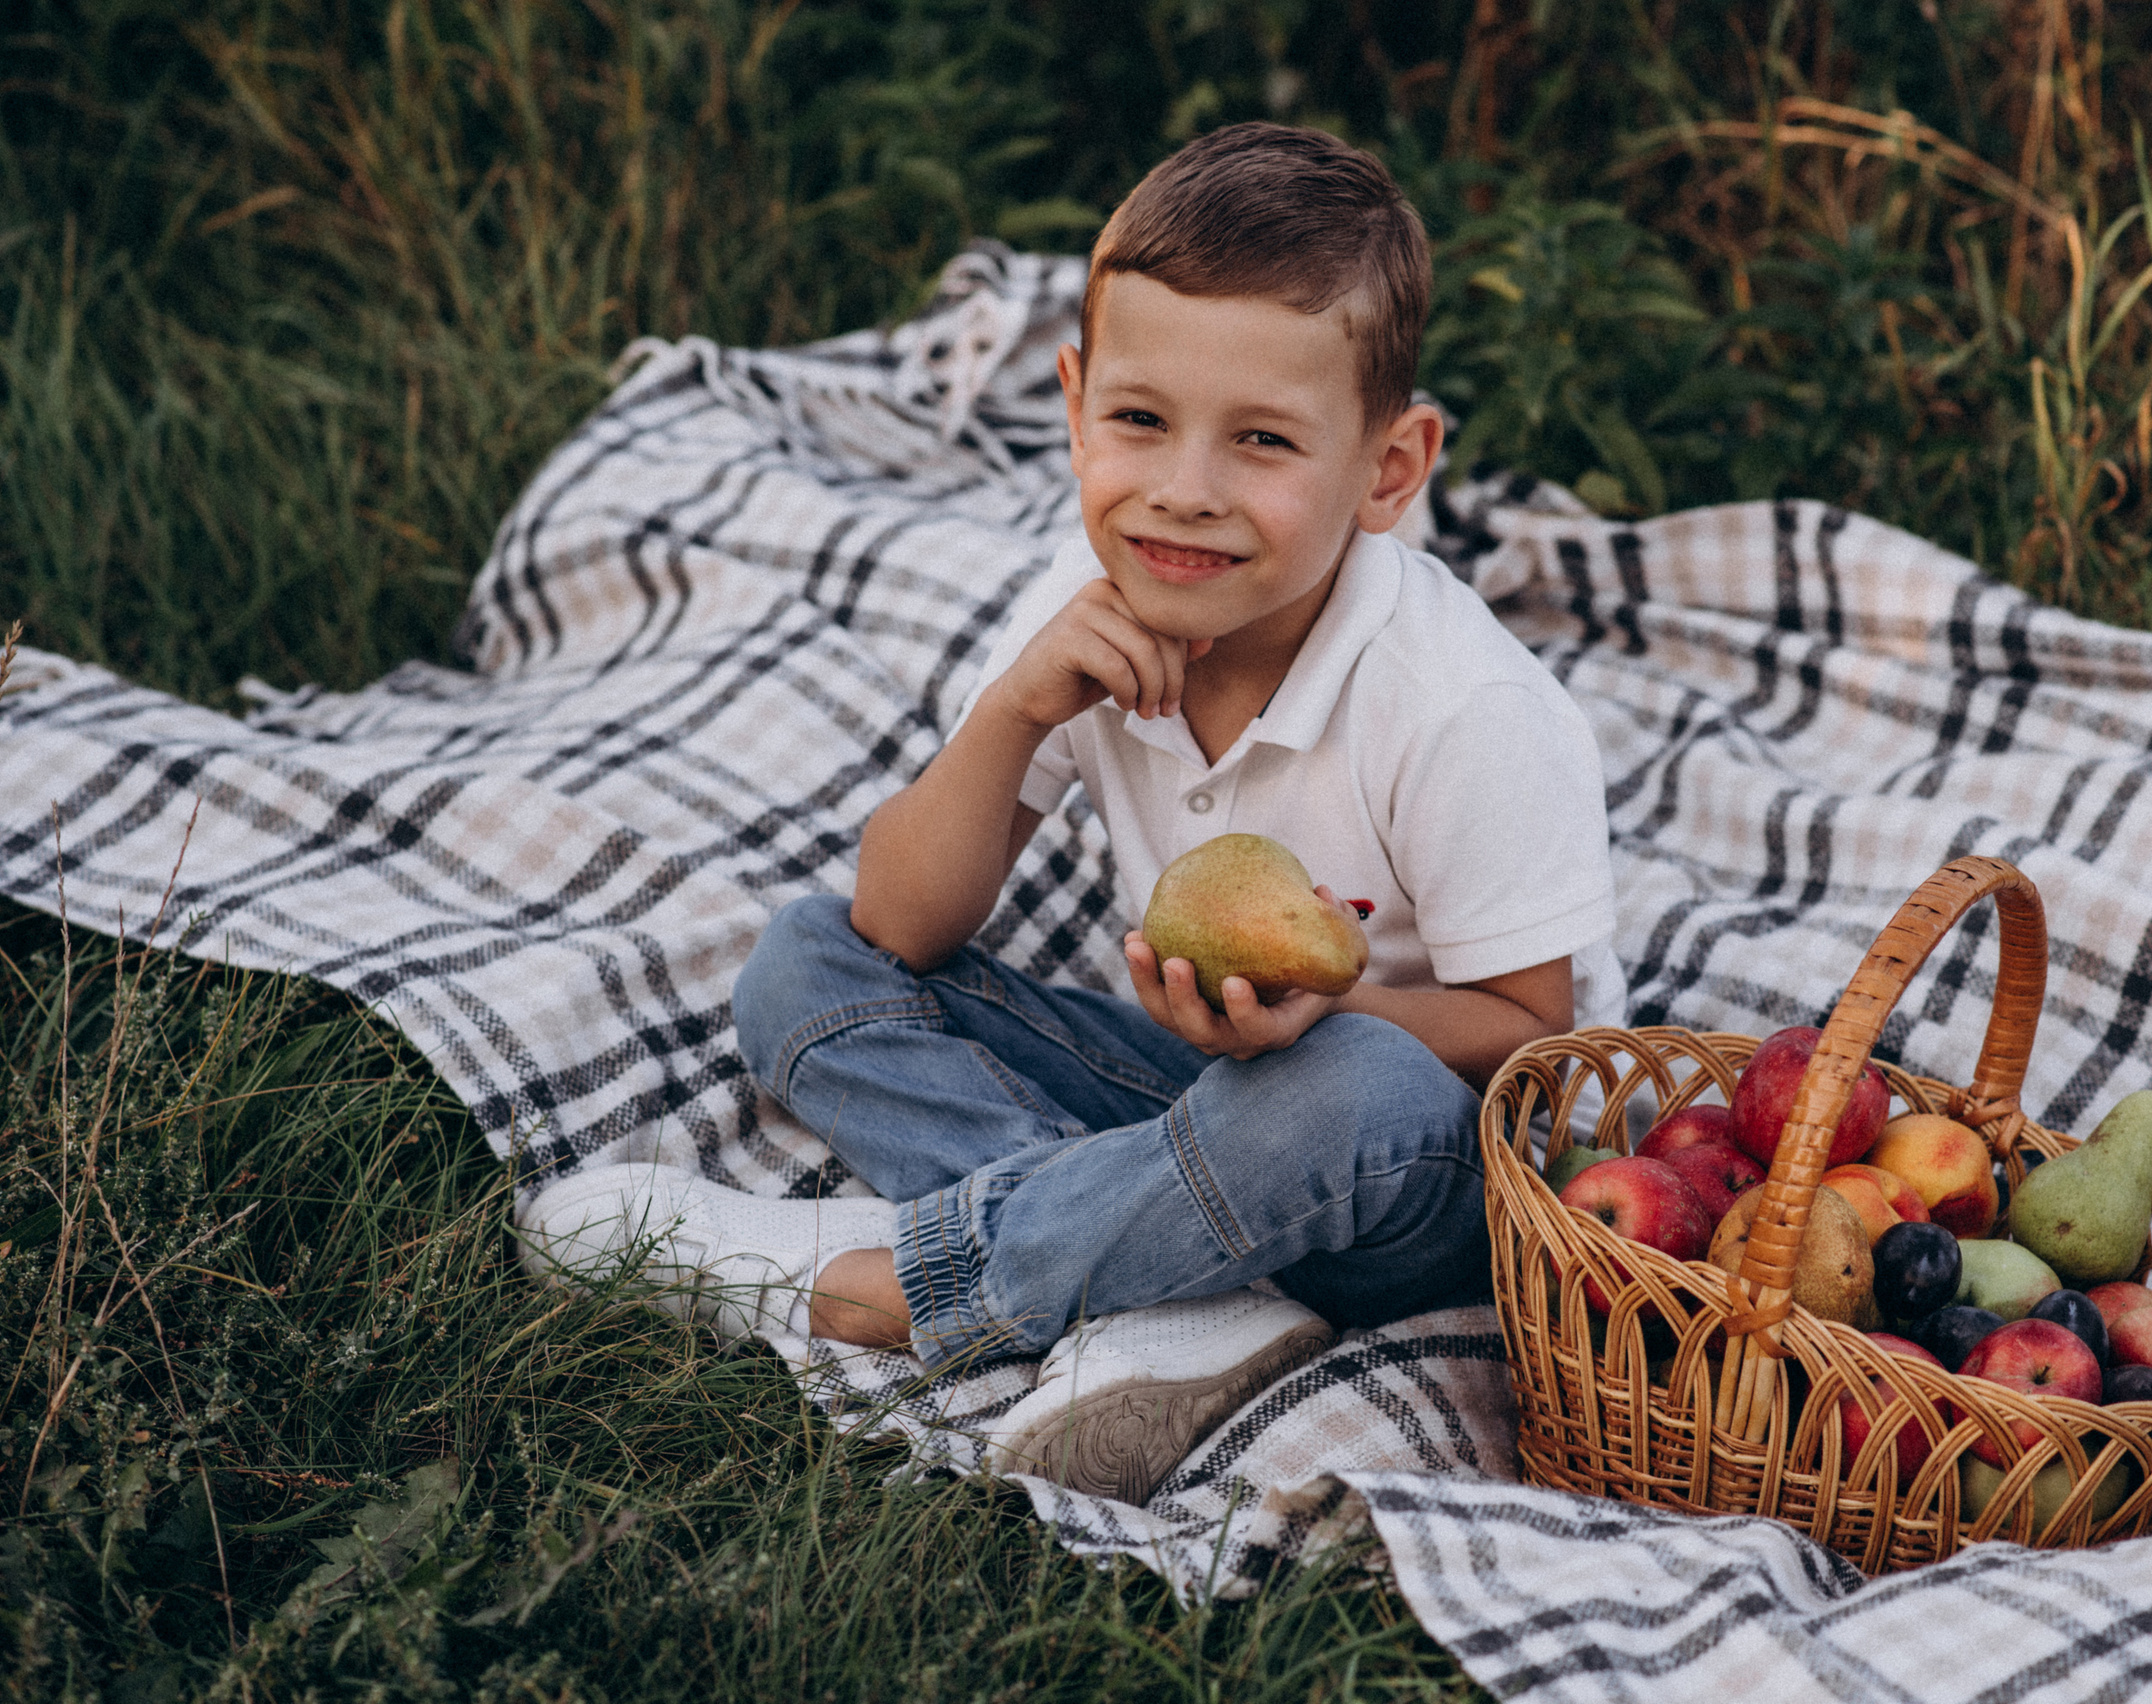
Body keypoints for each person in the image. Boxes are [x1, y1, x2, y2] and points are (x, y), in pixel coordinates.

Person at [517, 122, 1621, 1504]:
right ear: (1074, 397)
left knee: (1355, 1088)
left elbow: (1544, 1045)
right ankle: (1164, 1289)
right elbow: (901, 922)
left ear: (1390, 471)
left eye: (1264, 441)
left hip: (1411, 1169)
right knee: (807, 963)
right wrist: (1017, 712)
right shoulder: (1093, 604)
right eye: (1140, 420)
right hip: (1202, 1092)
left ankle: (903, 1280)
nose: (1186, 490)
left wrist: (1318, 1023)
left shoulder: (1461, 707)